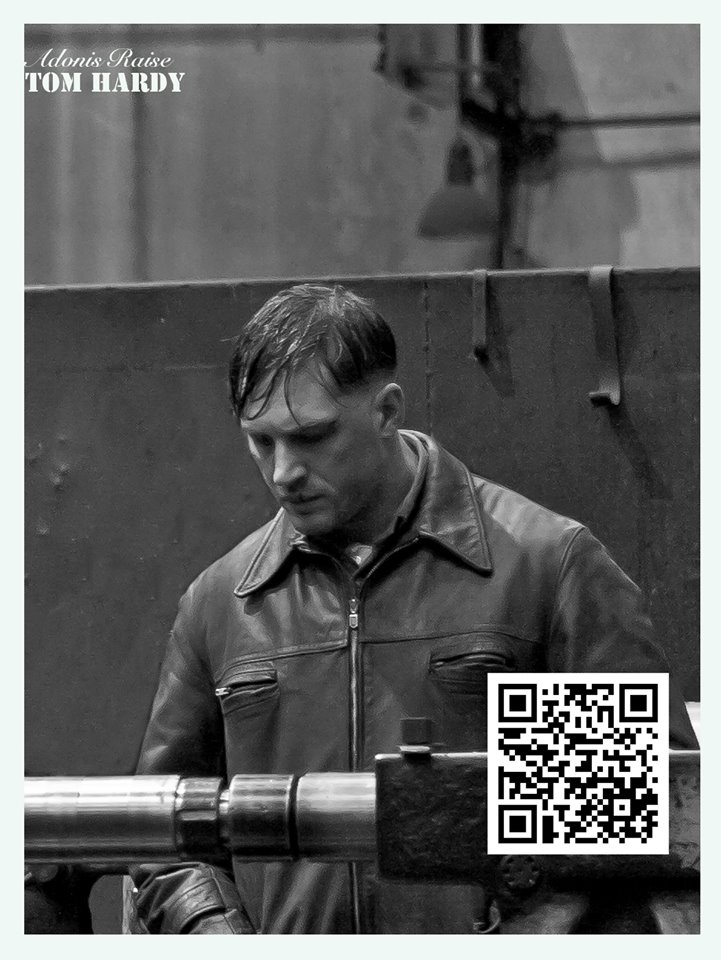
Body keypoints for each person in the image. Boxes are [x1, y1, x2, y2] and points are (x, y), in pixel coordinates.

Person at [129, 283, 698, 935]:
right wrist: (221, 937)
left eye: (311, 436)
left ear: (386, 410)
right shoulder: (222, 604)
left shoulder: (540, 571)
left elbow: (649, 820)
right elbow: (160, 832)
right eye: (261, 441)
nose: (283, 471)